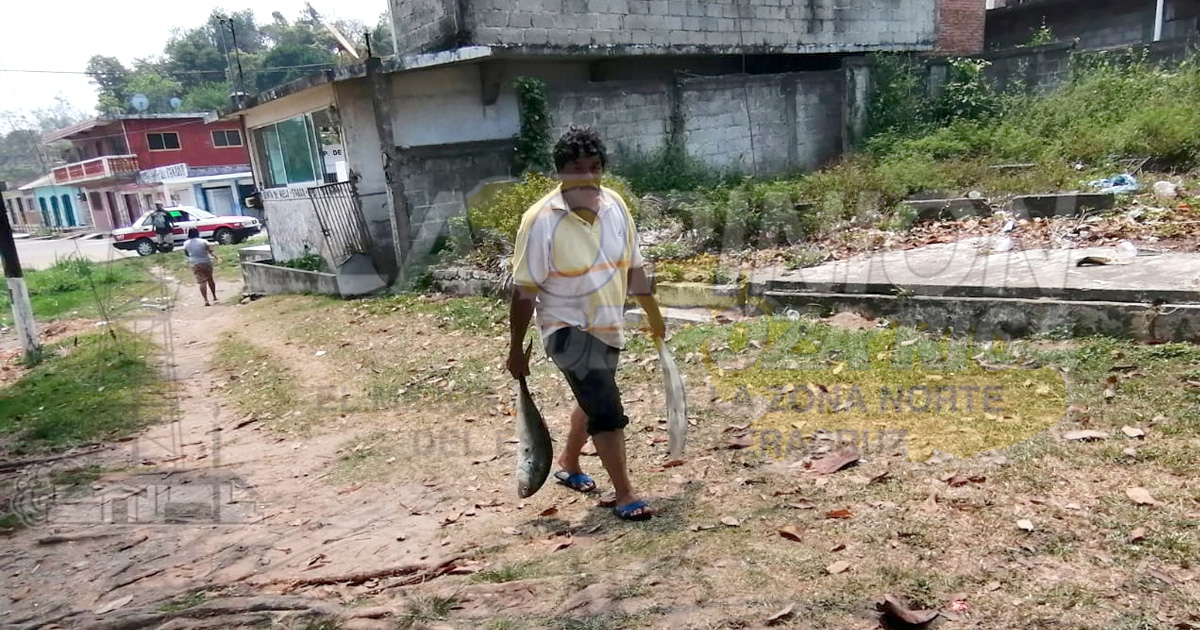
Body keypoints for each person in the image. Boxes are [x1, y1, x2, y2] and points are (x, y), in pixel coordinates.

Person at [508, 124, 666, 521]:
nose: (588, 176)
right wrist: (515, 348)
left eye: (595, 166)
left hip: (607, 323)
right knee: (607, 407)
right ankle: (626, 493)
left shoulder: (615, 205)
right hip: (565, 327)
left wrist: (654, 316)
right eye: (577, 168)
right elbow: (524, 290)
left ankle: (568, 462)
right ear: (561, 172)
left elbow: (634, 267)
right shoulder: (540, 219)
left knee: (594, 397)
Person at [183, 228, 220, 306]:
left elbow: (186, 253)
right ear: (197, 233)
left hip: (195, 263)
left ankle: (206, 300)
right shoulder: (203, 242)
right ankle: (214, 296)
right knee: (210, 279)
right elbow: (210, 251)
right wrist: (217, 258)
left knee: (202, 282)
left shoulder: (186, 243)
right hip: (206, 262)